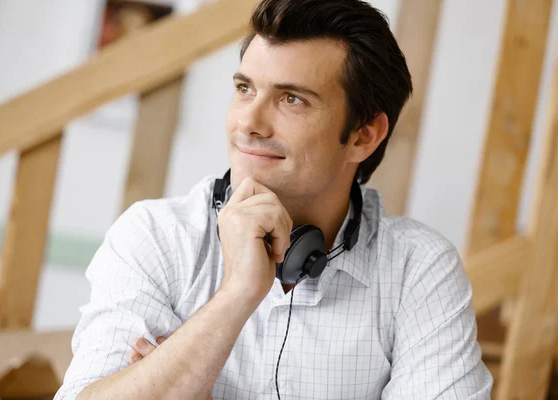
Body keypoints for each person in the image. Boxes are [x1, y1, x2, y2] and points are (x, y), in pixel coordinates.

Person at [55, 0, 493, 399]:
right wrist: (236, 294)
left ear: (364, 135)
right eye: (245, 89)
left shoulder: (420, 269)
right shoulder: (155, 236)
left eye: (291, 99)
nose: (249, 121)